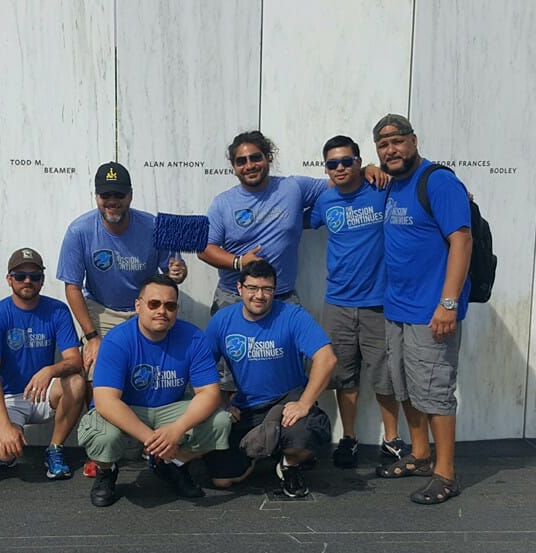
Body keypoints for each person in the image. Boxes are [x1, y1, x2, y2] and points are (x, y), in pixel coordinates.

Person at [57, 161, 187, 476]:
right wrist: (91, 337)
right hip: (102, 308)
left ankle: (158, 446)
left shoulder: (155, 225)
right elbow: (72, 287)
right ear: (96, 196)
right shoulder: (79, 230)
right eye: (105, 195)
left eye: (118, 194)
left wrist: (178, 273)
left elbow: (174, 270)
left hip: (143, 307)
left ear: (130, 195)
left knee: (155, 372)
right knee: (97, 372)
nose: (111, 201)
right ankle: (99, 450)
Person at [372, 114, 472, 505]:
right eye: (383, 145)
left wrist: (447, 304)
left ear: (414, 140)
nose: (391, 150)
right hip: (397, 307)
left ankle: (445, 474)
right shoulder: (393, 184)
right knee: (407, 386)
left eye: (397, 141)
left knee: (435, 391)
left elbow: (461, 242)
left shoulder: (439, 182)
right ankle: (420, 455)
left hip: (431, 311)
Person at [76, 274, 231, 507]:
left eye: (169, 306)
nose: (162, 311)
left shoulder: (193, 337)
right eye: (154, 304)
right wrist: (152, 439)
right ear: (138, 306)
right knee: (103, 435)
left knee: (220, 421)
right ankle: (107, 471)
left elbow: (210, 393)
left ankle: (174, 464)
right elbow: (106, 401)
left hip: (169, 410)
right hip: (128, 409)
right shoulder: (117, 340)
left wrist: (176, 430)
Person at [197, 130, 388, 314]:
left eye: (255, 158)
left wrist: (365, 169)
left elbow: (339, 179)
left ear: (268, 157)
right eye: (241, 161)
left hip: (282, 297)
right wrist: (239, 262)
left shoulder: (293, 187)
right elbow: (204, 248)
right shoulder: (223, 203)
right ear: (233, 166)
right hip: (234, 297)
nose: (249, 165)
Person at [308, 135, 407, 468]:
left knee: (385, 376)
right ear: (326, 169)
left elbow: (406, 170)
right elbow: (296, 221)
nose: (340, 168)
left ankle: (392, 440)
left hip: (379, 303)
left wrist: (374, 168)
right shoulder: (324, 202)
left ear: (358, 162)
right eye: (332, 163)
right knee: (344, 377)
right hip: (337, 302)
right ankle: (348, 438)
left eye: (347, 161)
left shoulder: (381, 188)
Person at [203, 260, 337, 497]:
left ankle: (289, 464)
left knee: (302, 439)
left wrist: (304, 403)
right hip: (246, 408)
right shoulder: (222, 320)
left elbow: (326, 358)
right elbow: (200, 366)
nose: (259, 295)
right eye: (253, 288)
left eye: (267, 289)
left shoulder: (293, 315)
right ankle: (264, 452)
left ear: (275, 291)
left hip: (287, 403)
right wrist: (220, 403)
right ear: (239, 288)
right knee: (222, 480)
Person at [0, 247, 86, 479]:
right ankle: (6, 445)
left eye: (35, 276)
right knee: (6, 452)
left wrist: (50, 370)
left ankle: (55, 449)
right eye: (20, 276)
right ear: (9, 280)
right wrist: (5, 425)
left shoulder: (57, 310)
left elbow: (74, 361)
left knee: (77, 383)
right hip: (8, 399)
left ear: (42, 280)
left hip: (42, 393)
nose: (28, 281)